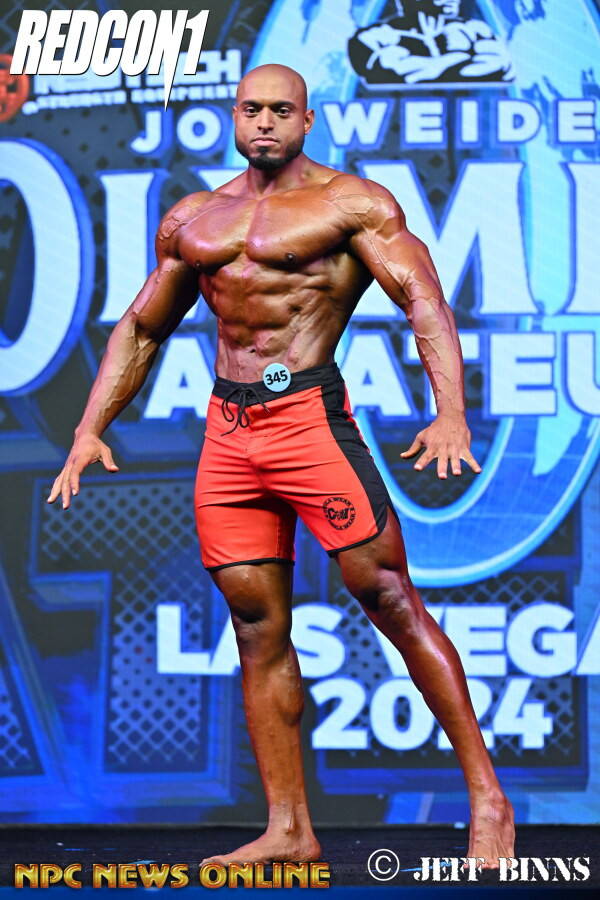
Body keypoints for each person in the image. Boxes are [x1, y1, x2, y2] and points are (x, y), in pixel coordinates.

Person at [47, 63, 514, 868]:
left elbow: (424, 301)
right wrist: (91, 427)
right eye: (251, 109)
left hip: (309, 422)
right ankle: (289, 830)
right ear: (235, 116)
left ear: (306, 120)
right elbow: (144, 326)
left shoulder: (350, 204)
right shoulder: (196, 217)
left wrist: (451, 413)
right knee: (256, 626)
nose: (264, 122)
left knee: (388, 596)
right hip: (229, 436)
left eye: (280, 110)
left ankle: (487, 797)